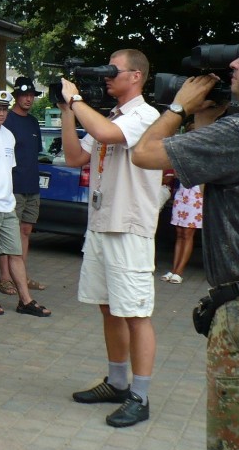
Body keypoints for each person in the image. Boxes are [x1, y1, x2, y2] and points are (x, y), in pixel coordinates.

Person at [132, 40, 239, 450]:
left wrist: (179, 108)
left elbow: (145, 154)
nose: (233, 62)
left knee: (234, 443)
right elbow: (205, 156)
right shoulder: (234, 133)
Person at [59, 49, 162, 428]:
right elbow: (73, 157)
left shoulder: (146, 116)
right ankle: (117, 383)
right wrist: (68, 110)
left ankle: (141, 394)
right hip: (102, 223)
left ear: (135, 76)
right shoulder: (113, 116)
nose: (106, 76)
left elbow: (104, 134)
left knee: (135, 313)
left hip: (130, 227)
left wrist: (76, 98)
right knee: (108, 307)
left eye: (112, 70)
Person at [0, 91, 51, 319]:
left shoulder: (8, 135)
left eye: (4, 109)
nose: (1, 113)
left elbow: (7, 169)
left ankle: (25, 300)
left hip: (7, 203)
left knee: (15, 252)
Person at [0, 77, 46, 297]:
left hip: (31, 185)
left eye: (31, 96)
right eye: (24, 95)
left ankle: (21, 276)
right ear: (16, 96)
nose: (28, 99)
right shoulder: (7, 120)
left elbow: (35, 152)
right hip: (12, 186)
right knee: (9, 233)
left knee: (25, 231)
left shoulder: (34, 121)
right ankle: (5, 279)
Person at [163, 182, 203, 284]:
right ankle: (174, 270)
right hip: (182, 192)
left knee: (187, 233)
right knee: (179, 233)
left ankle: (179, 271)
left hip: (196, 194)